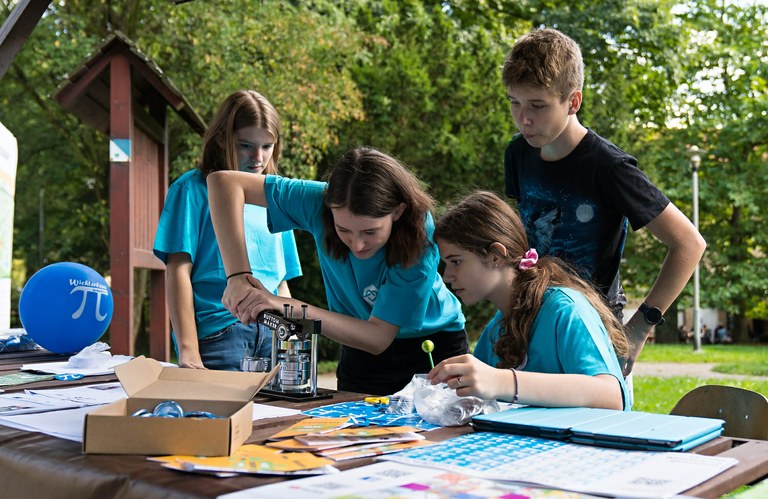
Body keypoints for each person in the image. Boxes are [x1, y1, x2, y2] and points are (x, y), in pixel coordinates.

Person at [501, 28, 706, 375]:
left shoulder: (608, 167)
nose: (523, 118)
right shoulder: (517, 153)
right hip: (532, 323)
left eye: (538, 105)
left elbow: (689, 243)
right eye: (514, 102)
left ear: (573, 101)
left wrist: (640, 327)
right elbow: (523, 241)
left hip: (594, 332)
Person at [207, 146, 468, 395]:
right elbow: (224, 183)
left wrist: (291, 307)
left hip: (432, 348)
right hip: (358, 348)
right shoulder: (316, 201)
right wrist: (238, 276)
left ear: (398, 211)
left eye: (370, 231)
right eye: (344, 230)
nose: (357, 244)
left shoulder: (419, 234)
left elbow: (378, 337)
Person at [427, 191, 630, 410]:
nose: (447, 276)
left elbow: (611, 396)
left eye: (455, 262)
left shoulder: (565, 309)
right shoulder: (495, 331)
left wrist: (502, 381)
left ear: (496, 255)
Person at [153, 90, 302, 371]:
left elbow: (280, 281)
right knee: (221, 416)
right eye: (246, 145)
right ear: (222, 139)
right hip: (220, 335)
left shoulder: (276, 197)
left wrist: (292, 339)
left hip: (276, 334)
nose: (258, 157)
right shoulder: (192, 189)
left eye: (267, 146)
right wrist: (188, 349)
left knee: (282, 416)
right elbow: (178, 270)